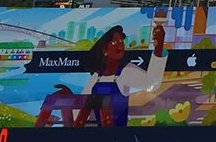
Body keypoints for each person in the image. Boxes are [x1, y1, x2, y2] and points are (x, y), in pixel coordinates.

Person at [38, 20, 168, 128]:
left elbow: (152, 83)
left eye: (121, 42)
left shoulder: (126, 71)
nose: (120, 45)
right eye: (115, 42)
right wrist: (68, 96)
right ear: (105, 50)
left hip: (117, 134)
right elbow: (82, 106)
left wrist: (159, 47)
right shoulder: (97, 76)